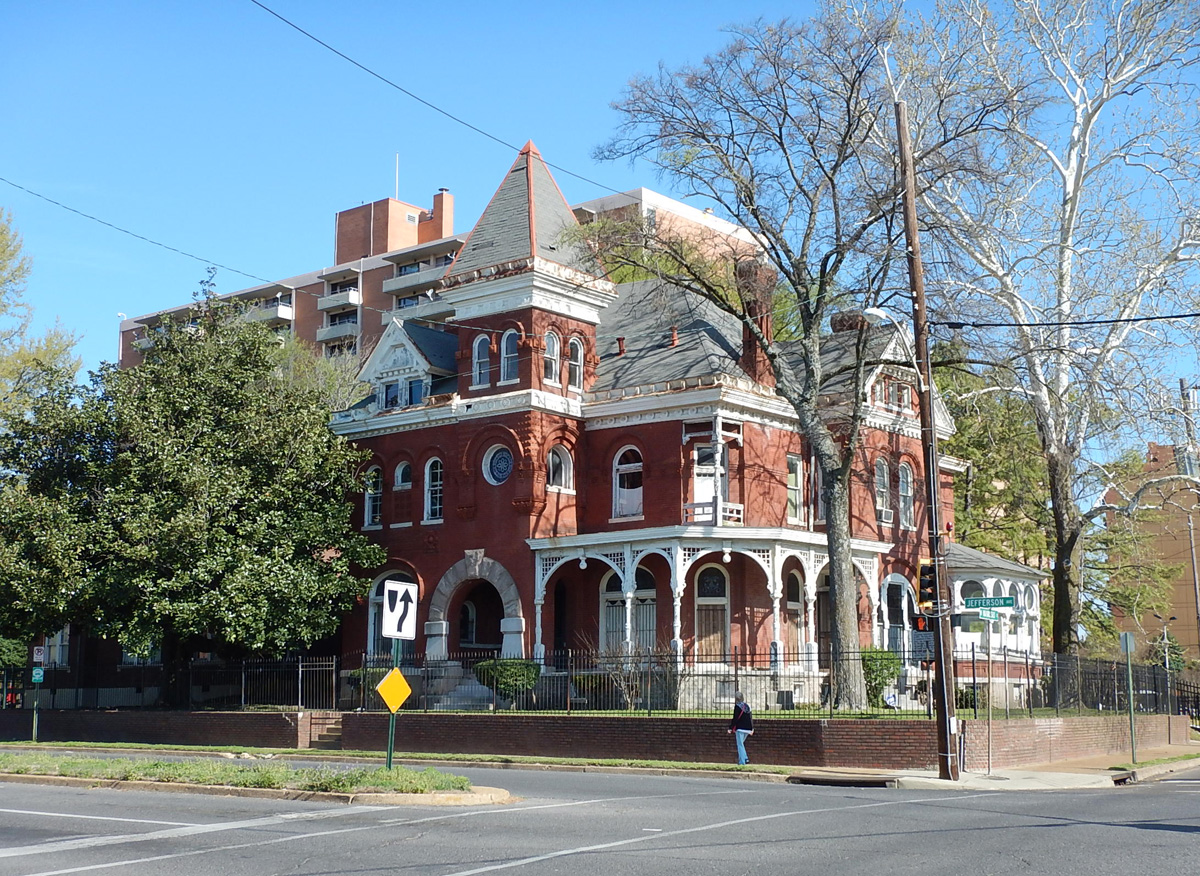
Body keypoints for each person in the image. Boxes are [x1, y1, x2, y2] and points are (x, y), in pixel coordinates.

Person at [727, 691, 754, 765]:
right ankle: (745, 758)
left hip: (740, 729)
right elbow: (750, 718)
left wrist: (730, 728)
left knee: (740, 745)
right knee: (741, 744)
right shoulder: (747, 706)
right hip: (748, 729)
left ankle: (743, 761)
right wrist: (752, 728)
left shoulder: (737, 706)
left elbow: (735, 718)